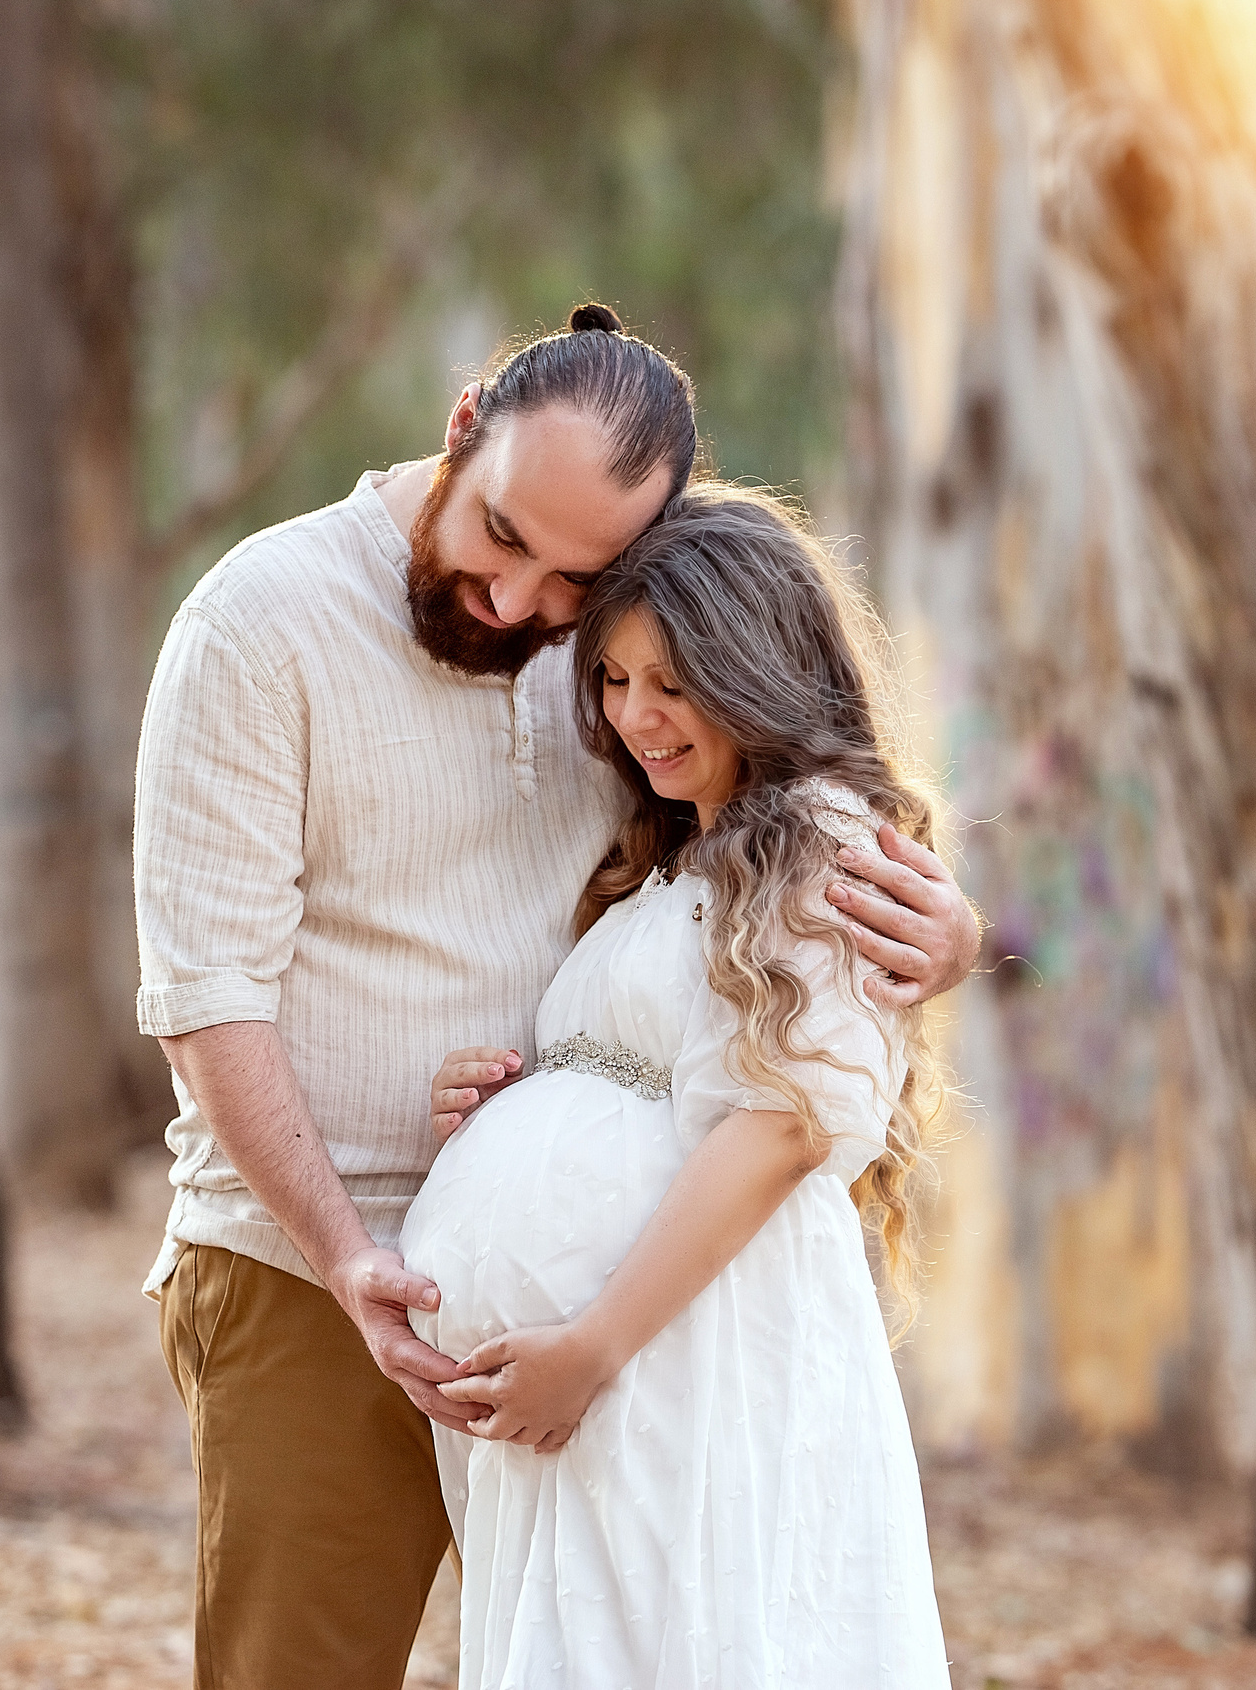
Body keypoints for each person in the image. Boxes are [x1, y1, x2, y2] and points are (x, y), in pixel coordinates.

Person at [134, 304, 981, 1688]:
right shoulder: (258, 622)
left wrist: (936, 937)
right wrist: (352, 1251)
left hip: (622, 1321)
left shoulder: (622, 647)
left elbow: (759, 889)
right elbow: (208, 996)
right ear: (464, 426)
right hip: (307, 1268)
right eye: (504, 537)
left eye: (576, 582)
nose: (523, 603)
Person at [401, 485, 953, 1687]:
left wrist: (594, 1345)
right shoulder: (680, 853)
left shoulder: (824, 843)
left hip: (686, 1359)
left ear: (758, 667)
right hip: (623, 1385)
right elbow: (648, 1091)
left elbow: (780, 1130)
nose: (638, 717)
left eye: (673, 682)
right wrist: (505, 1108)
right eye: (614, 680)